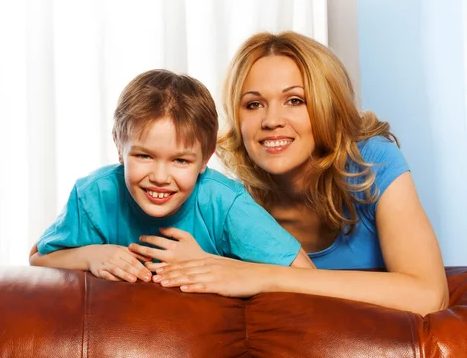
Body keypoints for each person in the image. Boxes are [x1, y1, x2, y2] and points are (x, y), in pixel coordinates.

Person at [146, 32, 449, 316]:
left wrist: (268, 276)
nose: (271, 120)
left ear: (327, 106)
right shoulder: (234, 205)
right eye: (254, 104)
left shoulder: (373, 162)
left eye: (295, 100)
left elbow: (430, 296)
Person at [29, 69, 314, 284]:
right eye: (144, 156)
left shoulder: (225, 204)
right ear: (118, 146)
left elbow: (306, 275)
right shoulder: (94, 194)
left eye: (180, 160)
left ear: (205, 158)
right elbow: (39, 257)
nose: (160, 177)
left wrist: (209, 263)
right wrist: (91, 256)